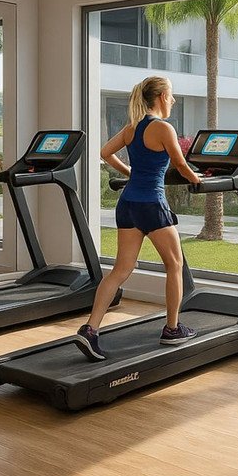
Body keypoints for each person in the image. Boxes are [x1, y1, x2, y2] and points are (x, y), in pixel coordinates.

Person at [74, 76, 202, 361]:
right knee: (175, 265)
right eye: (171, 96)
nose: (173, 101)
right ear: (161, 97)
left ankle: (90, 329)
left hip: (128, 204)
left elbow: (105, 153)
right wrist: (197, 180)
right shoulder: (163, 128)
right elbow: (180, 163)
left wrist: (130, 172)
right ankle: (172, 328)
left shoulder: (132, 128)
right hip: (151, 205)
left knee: (120, 270)